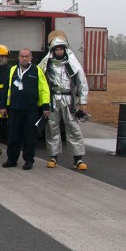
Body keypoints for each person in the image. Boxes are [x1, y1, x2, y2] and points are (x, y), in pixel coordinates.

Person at [38, 34, 90, 170]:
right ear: (53, 51)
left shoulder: (72, 63)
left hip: (69, 100)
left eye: (61, 49)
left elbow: (82, 82)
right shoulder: (47, 64)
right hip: (53, 100)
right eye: (57, 49)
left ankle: (78, 159)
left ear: (65, 50)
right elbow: (38, 79)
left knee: (73, 128)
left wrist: (83, 101)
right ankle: (53, 157)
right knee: (52, 128)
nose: (59, 52)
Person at [1, 49, 50, 170]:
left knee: (30, 136)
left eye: (27, 56)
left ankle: (28, 160)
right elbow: (6, 88)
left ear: (31, 57)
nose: (24, 58)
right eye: (22, 56)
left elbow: (44, 89)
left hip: (31, 109)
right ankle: (12, 159)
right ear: (18, 57)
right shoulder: (12, 70)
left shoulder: (37, 71)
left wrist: (45, 107)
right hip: (14, 108)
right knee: (13, 136)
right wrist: (3, 106)